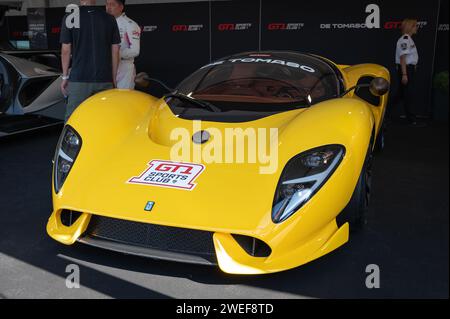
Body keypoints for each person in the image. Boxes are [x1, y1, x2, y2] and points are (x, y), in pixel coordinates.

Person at [60, 0, 121, 121]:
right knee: (104, 120)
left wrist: (65, 77)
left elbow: (66, 50)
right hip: (104, 79)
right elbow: (115, 50)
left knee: (73, 120)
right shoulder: (109, 18)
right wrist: (113, 78)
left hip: (79, 79)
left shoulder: (70, 17)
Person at [106, 0, 141, 89]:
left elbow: (135, 51)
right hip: (106, 68)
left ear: (121, 7)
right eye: (107, 4)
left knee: (122, 99)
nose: (108, 7)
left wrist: (115, 54)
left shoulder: (130, 24)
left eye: (112, 4)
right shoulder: (103, 23)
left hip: (124, 69)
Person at [394, 18, 422, 126]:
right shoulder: (405, 39)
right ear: (410, 27)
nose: (417, 28)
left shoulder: (408, 39)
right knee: (408, 95)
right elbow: (402, 58)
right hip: (406, 69)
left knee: (400, 94)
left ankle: (385, 114)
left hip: (408, 69)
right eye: (415, 26)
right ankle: (412, 120)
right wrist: (405, 74)